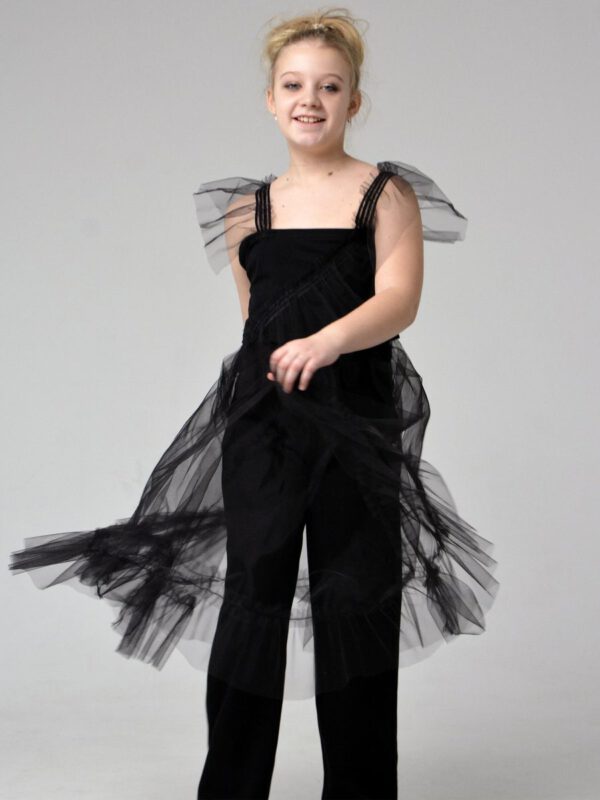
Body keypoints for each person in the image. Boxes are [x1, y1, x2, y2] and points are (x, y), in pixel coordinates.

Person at [8, 8, 499, 799]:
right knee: (253, 593)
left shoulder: (386, 195)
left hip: (358, 425)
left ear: (354, 101)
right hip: (265, 427)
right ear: (271, 100)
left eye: (329, 87)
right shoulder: (250, 210)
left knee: (355, 597)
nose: (311, 100)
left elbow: (399, 300)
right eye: (294, 86)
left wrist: (327, 342)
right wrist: (281, 368)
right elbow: (255, 319)